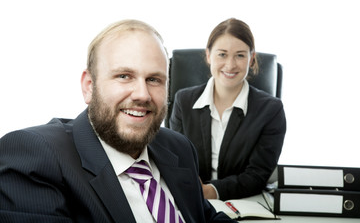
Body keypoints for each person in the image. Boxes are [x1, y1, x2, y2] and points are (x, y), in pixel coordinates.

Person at [0, 20, 236, 222]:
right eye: (124, 76)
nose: (142, 94)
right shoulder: (34, 156)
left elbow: (203, 216)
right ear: (89, 87)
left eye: (154, 79)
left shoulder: (178, 147)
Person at [169, 18, 286, 201]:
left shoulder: (271, 110)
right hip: (191, 199)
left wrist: (211, 191)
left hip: (245, 202)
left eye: (240, 55)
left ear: (251, 58)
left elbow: (258, 174)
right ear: (208, 56)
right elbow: (175, 161)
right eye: (222, 54)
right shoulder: (183, 101)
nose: (230, 65)